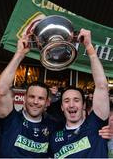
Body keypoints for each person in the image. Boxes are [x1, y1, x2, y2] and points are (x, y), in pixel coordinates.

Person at [0, 34, 62, 158]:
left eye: (41, 98)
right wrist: (20, 54)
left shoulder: (54, 125)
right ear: (24, 98)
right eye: (32, 97)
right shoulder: (12, 120)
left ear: (47, 102)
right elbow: (1, 91)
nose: (35, 102)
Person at [48, 28, 110, 158]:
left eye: (76, 100)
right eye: (66, 101)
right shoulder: (53, 137)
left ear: (83, 105)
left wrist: (89, 47)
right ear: (61, 107)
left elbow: (102, 86)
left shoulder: (96, 125)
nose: (71, 105)